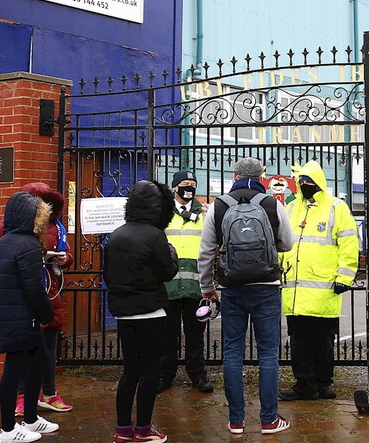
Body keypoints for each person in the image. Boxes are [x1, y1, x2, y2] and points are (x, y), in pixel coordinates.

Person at [197, 157, 295, 435]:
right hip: (266, 285)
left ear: (235, 175)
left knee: (232, 352)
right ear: (262, 177)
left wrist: (207, 286)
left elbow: (206, 251)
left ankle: (236, 421)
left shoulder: (219, 206)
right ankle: (269, 420)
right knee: (268, 354)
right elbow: (287, 243)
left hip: (232, 287)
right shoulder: (272, 204)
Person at [0, 182, 74, 417]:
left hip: (49, 291)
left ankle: (48, 393)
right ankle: (22, 399)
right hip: (23, 297)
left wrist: (64, 259)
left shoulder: (57, 228)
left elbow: (68, 253)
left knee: (48, 349)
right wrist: (29, 258)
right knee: (22, 353)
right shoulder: (7, 228)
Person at [278, 161, 359, 400]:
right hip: (296, 289)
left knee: (323, 340)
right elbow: (283, 242)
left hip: (325, 288)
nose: (305, 185)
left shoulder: (336, 207)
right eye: (301, 181)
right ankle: (306, 383)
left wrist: (345, 276)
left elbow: (349, 243)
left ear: (319, 183)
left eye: (309, 181)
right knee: (300, 341)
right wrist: (279, 269)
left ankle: (323, 383)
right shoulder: (292, 208)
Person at [105, 180, 178, 443]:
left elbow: (108, 275)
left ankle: (123, 429)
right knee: (148, 372)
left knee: (129, 371)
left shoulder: (116, 234)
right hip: (150, 312)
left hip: (123, 312)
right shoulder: (155, 235)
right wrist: (172, 253)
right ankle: (144, 430)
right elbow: (167, 272)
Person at [157, 170, 213, 394]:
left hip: (196, 287)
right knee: (166, 335)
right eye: (185, 183)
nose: (189, 187)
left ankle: (198, 375)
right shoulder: (162, 214)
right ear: (175, 187)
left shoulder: (205, 214)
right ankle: (165, 375)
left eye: (192, 184)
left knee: (196, 336)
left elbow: (213, 247)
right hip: (168, 286)